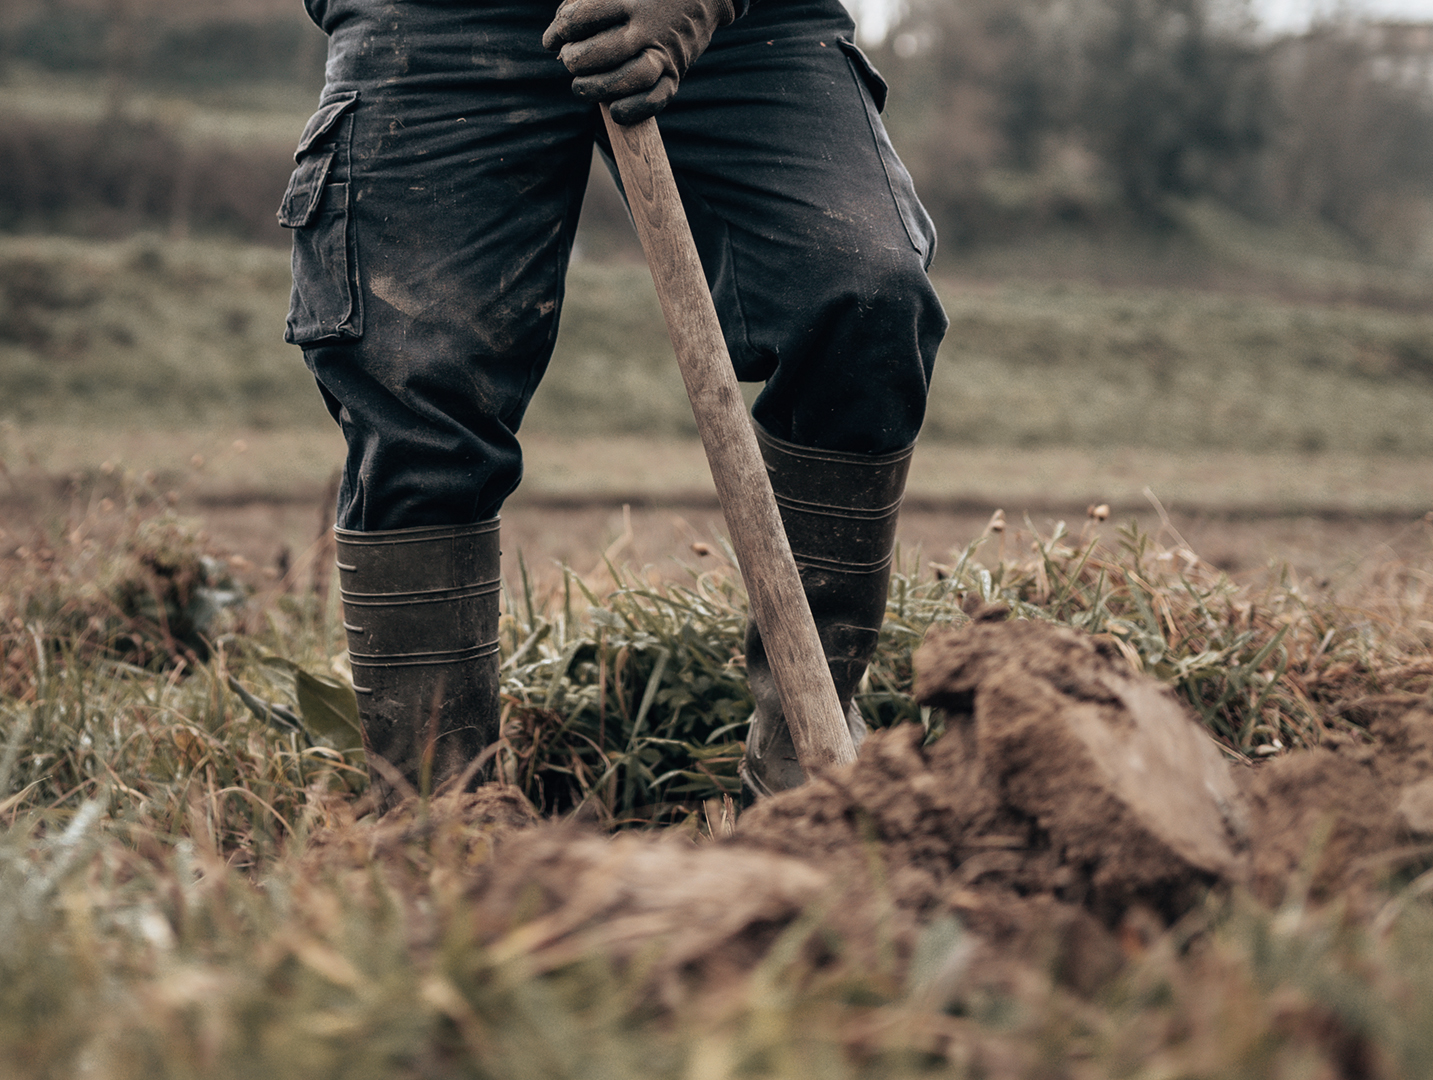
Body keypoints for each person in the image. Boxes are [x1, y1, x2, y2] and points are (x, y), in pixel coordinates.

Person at [281, 0, 944, 800]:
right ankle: (436, 816)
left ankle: (804, 771)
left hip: (741, 26)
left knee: (863, 292)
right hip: (433, 20)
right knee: (416, 378)